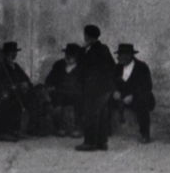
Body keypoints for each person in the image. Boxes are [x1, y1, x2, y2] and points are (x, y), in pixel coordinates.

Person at [76, 24, 117, 152]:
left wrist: (83, 50)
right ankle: (101, 142)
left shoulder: (94, 50)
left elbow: (85, 66)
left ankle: (90, 142)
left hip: (96, 88)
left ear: (87, 36)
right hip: (102, 87)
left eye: (85, 35)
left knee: (91, 113)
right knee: (101, 113)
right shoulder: (102, 49)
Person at [111, 43, 155, 143]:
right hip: (121, 96)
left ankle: (145, 134)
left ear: (129, 55)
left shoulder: (142, 67)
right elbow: (111, 81)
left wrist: (133, 95)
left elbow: (147, 86)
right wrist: (114, 91)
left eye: (121, 55)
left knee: (142, 103)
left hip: (138, 96)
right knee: (103, 98)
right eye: (118, 55)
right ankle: (105, 130)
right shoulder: (117, 67)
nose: (118, 57)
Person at [0, 42, 35, 141]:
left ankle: (16, 130)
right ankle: (2, 132)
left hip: (18, 92)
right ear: (6, 54)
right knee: (7, 100)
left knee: (30, 96)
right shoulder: (0, 67)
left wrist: (25, 84)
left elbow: (27, 80)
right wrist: (11, 87)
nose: (13, 55)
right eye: (11, 53)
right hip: (5, 94)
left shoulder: (16, 66)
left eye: (14, 53)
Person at [41, 43, 83, 137]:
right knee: (56, 102)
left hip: (76, 94)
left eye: (71, 55)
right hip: (60, 92)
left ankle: (78, 128)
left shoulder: (82, 67)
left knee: (81, 101)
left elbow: (85, 82)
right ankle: (60, 128)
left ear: (77, 56)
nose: (68, 57)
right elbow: (49, 79)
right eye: (67, 54)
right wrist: (49, 86)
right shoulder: (59, 64)